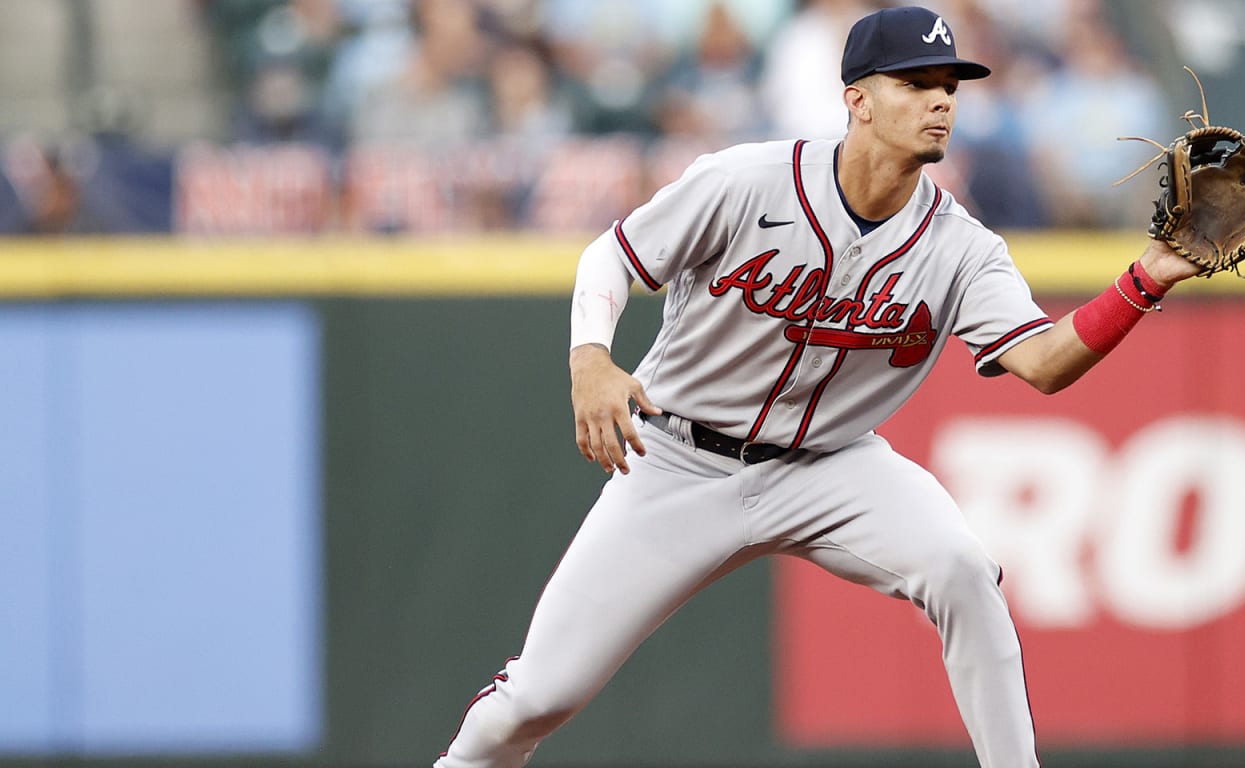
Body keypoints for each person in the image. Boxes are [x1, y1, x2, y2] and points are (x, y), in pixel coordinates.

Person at [433, 7, 1201, 768]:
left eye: (949, 86)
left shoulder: (963, 247)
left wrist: (1146, 277)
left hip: (834, 467)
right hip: (678, 460)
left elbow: (1044, 362)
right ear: (857, 99)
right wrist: (590, 360)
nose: (940, 101)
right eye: (915, 83)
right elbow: (611, 257)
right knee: (538, 698)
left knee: (961, 570)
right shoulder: (747, 180)